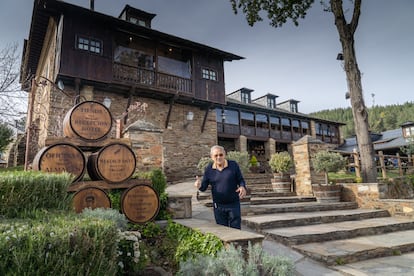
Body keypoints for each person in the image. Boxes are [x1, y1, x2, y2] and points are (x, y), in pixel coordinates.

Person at [194, 145, 247, 229]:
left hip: (233, 204)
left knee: (236, 230)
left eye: (221, 155)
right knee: (222, 230)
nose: (219, 157)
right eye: (216, 155)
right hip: (218, 206)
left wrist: (242, 186)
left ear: (224, 155)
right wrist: (199, 185)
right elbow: (203, 187)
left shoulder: (233, 165)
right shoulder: (209, 169)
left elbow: (240, 180)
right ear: (212, 157)